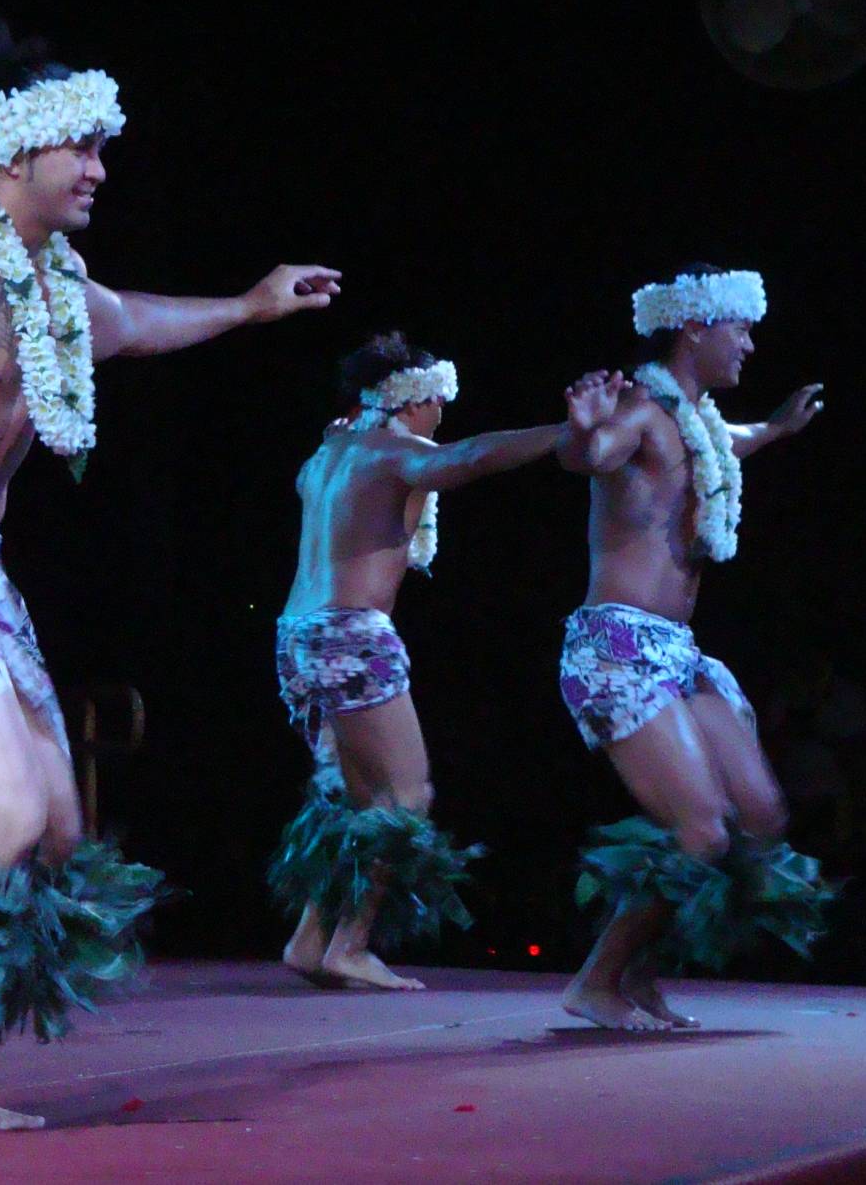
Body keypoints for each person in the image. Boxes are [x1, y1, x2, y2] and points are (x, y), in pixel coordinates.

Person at [0, 10, 340, 1144]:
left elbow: (132, 322)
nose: (100, 167)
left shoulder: (52, 287)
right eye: (82, 146)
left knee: (44, 827)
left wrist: (247, 306)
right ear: (12, 148)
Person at [556, 265, 833, 1031]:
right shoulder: (644, 410)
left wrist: (775, 428)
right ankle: (597, 980)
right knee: (702, 829)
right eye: (739, 329)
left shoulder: (702, 423)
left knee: (761, 813)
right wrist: (584, 428)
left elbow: (726, 444)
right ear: (695, 329)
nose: (748, 343)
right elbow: (596, 453)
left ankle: (640, 973)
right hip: (614, 647)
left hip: (677, 651)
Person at [271, 333, 584, 989]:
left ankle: (310, 934)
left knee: (359, 798)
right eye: (440, 398)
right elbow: (470, 458)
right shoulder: (392, 451)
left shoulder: (329, 453)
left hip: (298, 635)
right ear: (415, 398)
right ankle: (350, 944)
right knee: (407, 794)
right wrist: (563, 432)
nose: (443, 411)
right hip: (351, 633)